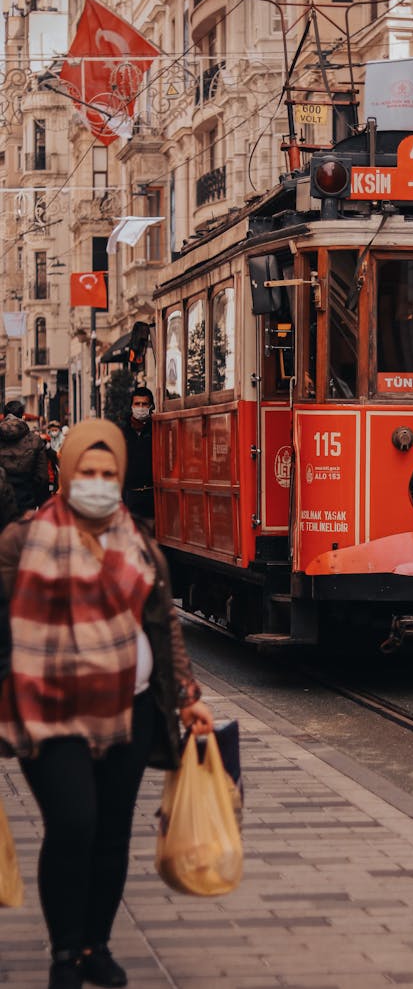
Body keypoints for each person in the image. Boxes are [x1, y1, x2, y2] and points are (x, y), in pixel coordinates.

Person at [0, 419, 213, 989]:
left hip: (133, 705)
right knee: (74, 824)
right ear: (66, 474)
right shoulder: (23, 538)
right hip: (46, 705)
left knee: (113, 831)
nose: (97, 482)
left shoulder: (138, 539)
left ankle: (96, 944)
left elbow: (163, 622)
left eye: (108, 474)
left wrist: (188, 696)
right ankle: (64, 952)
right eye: (87, 473)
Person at [0, 399, 50, 514]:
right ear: (22, 416)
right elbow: (42, 478)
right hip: (26, 502)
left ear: (4, 415)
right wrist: (42, 504)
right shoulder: (35, 441)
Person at [121, 387, 155, 522]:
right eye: (137, 404)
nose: (140, 408)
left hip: (152, 495)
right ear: (131, 406)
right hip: (129, 495)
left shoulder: (157, 429)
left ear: (151, 406)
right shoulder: (123, 432)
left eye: (144, 404)